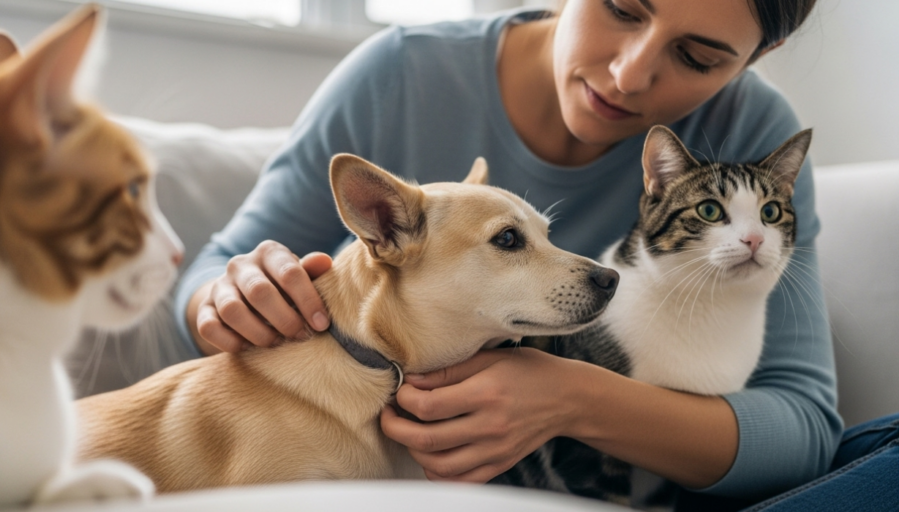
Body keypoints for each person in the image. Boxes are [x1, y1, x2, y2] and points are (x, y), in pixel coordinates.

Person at [174, 0, 842, 509]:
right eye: (621, 8)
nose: (629, 73)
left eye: (698, 58)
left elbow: (807, 427)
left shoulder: (753, 134)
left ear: (760, 53)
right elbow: (214, 269)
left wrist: (573, 399)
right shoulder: (400, 71)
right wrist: (226, 300)